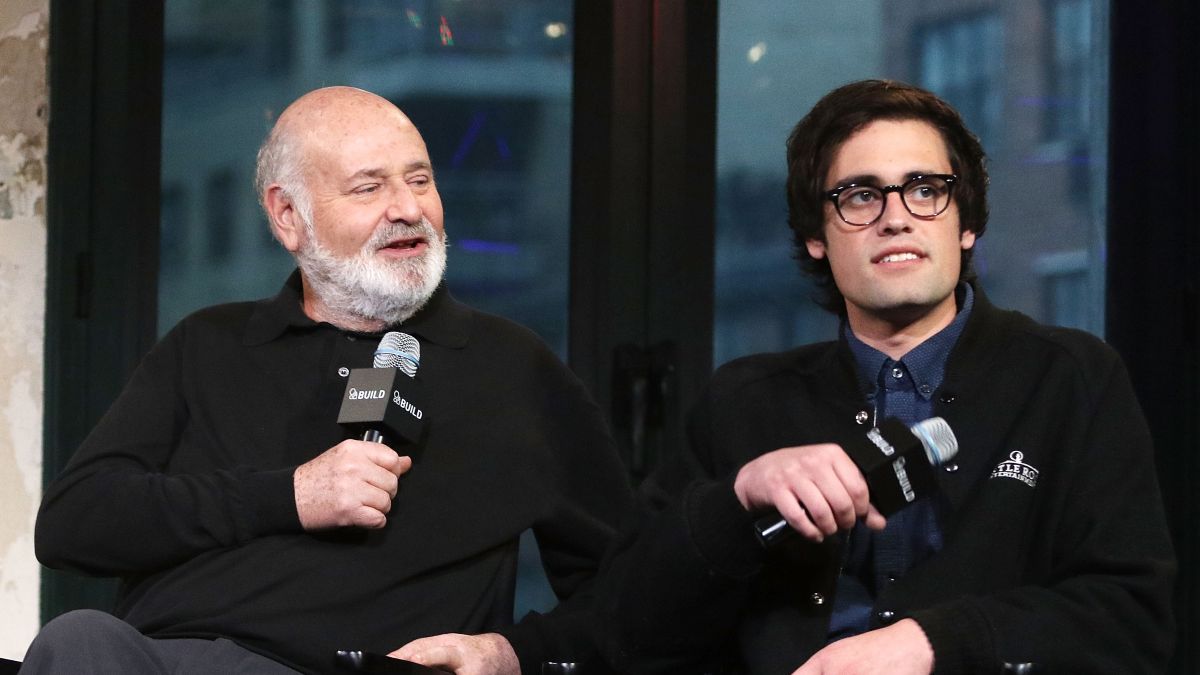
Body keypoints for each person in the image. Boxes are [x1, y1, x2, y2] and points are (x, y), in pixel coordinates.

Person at [27, 86, 632, 675]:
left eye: (419, 180)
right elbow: (73, 524)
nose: (408, 208)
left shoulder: (512, 366)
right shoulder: (207, 343)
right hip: (162, 656)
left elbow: (634, 593)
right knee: (78, 640)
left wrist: (511, 654)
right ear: (289, 215)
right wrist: (290, 496)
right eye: (369, 187)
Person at [597, 80, 1176, 674]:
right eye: (859, 196)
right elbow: (620, 625)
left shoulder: (1069, 378)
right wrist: (736, 500)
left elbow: (1133, 620)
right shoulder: (743, 402)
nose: (896, 218)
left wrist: (932, 642)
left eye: (926, 190)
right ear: (815, 237)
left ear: (966, 224)